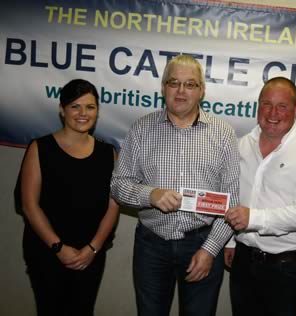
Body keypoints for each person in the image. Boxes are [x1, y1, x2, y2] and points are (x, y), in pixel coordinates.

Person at [110, 54, 240, 316]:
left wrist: (210, 250)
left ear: (201, 90)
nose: (181, 91)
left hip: (203, 242)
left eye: (190, 84)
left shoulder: (223, 134)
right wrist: (150, 195)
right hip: (151, 245)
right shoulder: (141, 129)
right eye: (174, 83)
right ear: (163, 88)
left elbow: (232, 201)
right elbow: (118, 185)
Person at [224, 77, 296, 316]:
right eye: (266, 104)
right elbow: (233, 197)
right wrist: (231, 241)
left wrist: (254, 219)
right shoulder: (242, 145)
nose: (273, 113)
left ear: (295, 110)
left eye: (282, 106)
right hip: (243, 260)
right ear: (257, 107)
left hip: (286, 269)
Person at [20, 79, 120, 316]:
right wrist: (58, 247)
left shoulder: (108, 154)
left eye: (90, 107)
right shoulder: (40, 148)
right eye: (75, 106)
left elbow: (113, 206)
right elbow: (29, 205)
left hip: (91, 255)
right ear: (62, 110)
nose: (83, 113)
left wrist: (92, 249)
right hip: (47, 253)